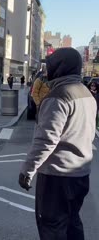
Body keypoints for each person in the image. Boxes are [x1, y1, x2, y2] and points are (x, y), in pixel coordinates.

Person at [18, 48, 95, 240]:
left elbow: (46, 140)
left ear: (60, 67)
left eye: (50, 65)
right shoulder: (86, 93)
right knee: (72, 222)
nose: (47, 70)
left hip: (56, 176)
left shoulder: (58, 96)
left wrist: (27, 170)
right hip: (80, 174)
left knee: (52, 226)